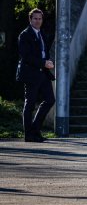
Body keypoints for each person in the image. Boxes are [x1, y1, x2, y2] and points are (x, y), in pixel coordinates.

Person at [16, 8, 55, 142]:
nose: (38, 21)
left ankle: (35, 130)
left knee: (50, 100)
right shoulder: (24, 35)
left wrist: (48, 62)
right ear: (30, 19)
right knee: (30, 104)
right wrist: (43, 63)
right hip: (30, 73)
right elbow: (26, 56)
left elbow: (44, 51)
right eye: (35, 19)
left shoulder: (42, 33)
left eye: (40, 19)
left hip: (43, 73)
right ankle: (29, 135)